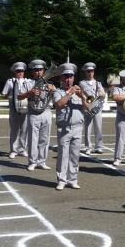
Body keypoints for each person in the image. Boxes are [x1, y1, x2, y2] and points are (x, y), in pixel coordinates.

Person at [52, 63, 91, 191]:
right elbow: (58, 104)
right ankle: (61, 180)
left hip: (78, 127)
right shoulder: (58, 92)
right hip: (64, 128)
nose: (69, 80)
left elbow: (89, 107)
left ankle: (72, 180)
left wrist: (82, 97)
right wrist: (69, 94)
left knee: (74, 155)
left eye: (71, 77)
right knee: (63, 155)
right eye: (66, 77)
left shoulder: (80, 92)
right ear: (61, 79)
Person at [17, 59, 56, 171]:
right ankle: (32, 162)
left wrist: (53, 90)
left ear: (44, 71)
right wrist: (30, 93)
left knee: (45, 138)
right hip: (33, 112)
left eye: (41, 70)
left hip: (46, 112)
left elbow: (57, 97)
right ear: (32, 71)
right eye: (36, 70)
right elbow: (19, 96)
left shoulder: (50, 83)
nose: (39, 72)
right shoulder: (28, 83)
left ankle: (42, 161)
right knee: (33, 139)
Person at [0, 62, 29, 159]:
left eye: (22, 71)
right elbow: (5, 94)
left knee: (25, 130)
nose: (20, 73)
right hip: (14, 108)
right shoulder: (10, 81)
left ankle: (22, 149)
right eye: (18, 71)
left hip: (25, 108)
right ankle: (13, 150)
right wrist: (3, 96)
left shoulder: (27, 82)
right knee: (14, 130)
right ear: (14, 72)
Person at [79, 62, 105, 155]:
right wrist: (88, 100)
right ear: (85, 72)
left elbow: (103, 95)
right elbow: (81, 95)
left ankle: (98, 146)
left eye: (92, 71)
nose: (90, 73)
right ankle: (88, 147)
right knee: (88, 128)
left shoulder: (98, 83)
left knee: (98, 127)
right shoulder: (82, 83)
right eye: (88, 71)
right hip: (87, 108)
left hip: (97, 109)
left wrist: (102, 95)